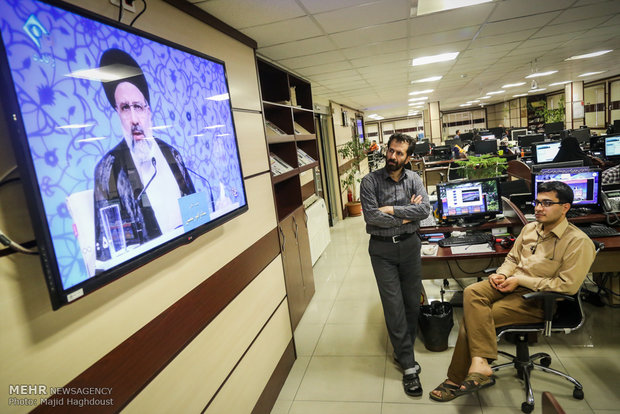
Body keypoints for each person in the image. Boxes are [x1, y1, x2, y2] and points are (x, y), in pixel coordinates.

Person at [429, 181, 595, 402]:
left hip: (539, 300)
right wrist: (503, 274)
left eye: (546, 203)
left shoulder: (578, 242)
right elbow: (512, 259)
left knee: (475, 319)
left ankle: (456, 379)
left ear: (565, 207)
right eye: (537, 202)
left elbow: (567, 285)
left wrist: (519, 280)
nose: (538, 208)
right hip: (511, 285)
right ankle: (480, 364)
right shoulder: (530, 229)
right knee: (472, 292)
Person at [93, 48, 196, 262]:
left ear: (148, 111)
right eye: (124, 108)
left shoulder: (171, 154)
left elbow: (197, 211)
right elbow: (107, 251)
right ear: (117, 113)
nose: (134, 119)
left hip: (193, 253)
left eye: (138, 107)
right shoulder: (108, 169)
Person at [359, 133, 431, 396]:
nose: (392, 156)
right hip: (382, 251)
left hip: (410, 246)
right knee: (393, 304)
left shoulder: (414, 179)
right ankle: (409, 366)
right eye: (391, 151)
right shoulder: (370, 181)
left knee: (412, 301)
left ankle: (404, 352)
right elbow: (371, 216)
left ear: (408, 157)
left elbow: (425, 210)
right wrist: (404, 216)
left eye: (399, 153)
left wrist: (391, 210)